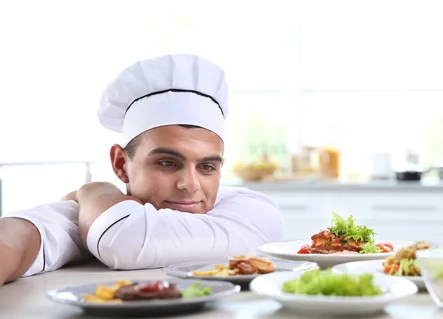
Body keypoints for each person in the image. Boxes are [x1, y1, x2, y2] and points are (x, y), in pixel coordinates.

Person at [0, 54, 284, 286]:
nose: (190, 184)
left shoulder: (249, 209)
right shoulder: (84, 215)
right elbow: (15, 238)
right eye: (167, 163)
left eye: (207, 166)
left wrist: (96, 189)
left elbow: (123, 238)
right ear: (121, 164)